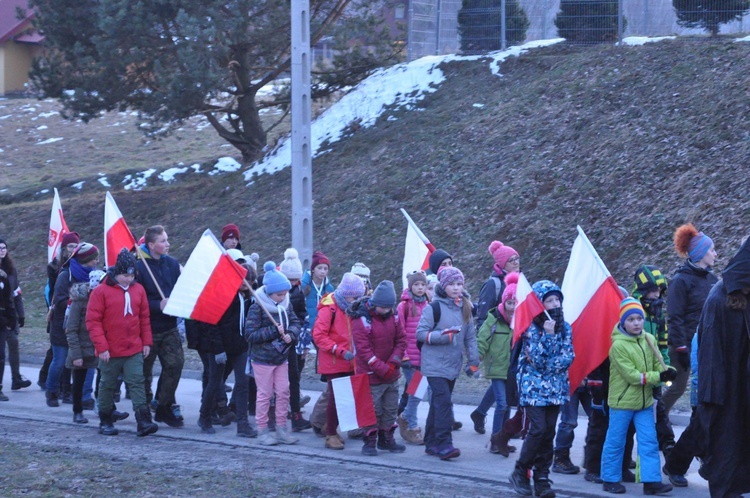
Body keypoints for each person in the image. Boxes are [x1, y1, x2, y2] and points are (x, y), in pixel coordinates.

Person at [693, 237, 750, 498]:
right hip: (726, 398)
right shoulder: (720, 298)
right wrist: (711, 404)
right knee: (726, 453)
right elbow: (711, 359)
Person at [600, 298, 675, 495]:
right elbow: (632, 376)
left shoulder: (649, 338)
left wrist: (669, 371)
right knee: (616, 441)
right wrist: (658, 377)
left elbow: (659, 365)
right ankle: (610, 478)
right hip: (622, 402)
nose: (636, 323)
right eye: (631, 319)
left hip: (644, 403)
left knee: (649, 441)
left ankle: (651, 481)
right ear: (623, 322)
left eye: (639, 319)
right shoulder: (617, 346)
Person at [509, 280, 574, 498]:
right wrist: (548, 336)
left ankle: (542, 478)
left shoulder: (565, 327)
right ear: (539, 304)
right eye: (549, 300)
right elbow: (537, 359)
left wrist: (552, 361)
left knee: (548, 432)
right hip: (533, 387)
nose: (555, 304)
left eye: (558, 299)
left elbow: (567, 357)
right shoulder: (530, 327)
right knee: (537, 429)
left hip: (556, 388)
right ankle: (520, 471)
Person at [87, 249, 158, 437]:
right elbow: (93, 322)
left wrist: (146, 342)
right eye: (125, 275)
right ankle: (105, 420)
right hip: (110, 350)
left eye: (132, 275)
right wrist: (101, 347)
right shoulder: (101, 292)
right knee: (107, 385)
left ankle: (143, 421)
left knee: (137, 382)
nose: (129, 279)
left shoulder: (138, 290)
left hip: (133, 347)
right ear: (116, 273)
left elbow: (144, 318)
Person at [415, 266, 479, 461]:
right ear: (444, 286)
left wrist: (474, 360)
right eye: (452, 284)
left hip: (453, 365)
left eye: (459, 284)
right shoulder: (433, 307)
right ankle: (444, 444)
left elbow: (470, 338)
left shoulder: (466, 306)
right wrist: (442, 337)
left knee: (438, 403)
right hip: (434, 365)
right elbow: (420, 334)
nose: (456, 288)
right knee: (443, 402)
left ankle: (431, 442)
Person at [662, 223, 717, 416]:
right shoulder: (680, 281)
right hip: (684, 345)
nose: (715, 254)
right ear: (701, 253)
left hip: (706, 343)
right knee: (677, 388)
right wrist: (681, 347)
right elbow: (675, 317)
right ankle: (656, 419)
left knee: (704, 386)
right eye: (711, 250)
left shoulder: (712, 280)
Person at [197, 257, 254, 438]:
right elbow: (211, 325)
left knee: (243, 383)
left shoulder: (250, 298)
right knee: (215, 382)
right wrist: (218, 349)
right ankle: (204, 416)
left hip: (241, 347)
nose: (246, 285)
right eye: (244, 281)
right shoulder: (223, 297)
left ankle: (242, 424)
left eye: (250, 282)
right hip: (221, 348)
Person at [246, 261, 301, 445]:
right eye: (279, 294)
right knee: (265, 394)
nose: (283, 297)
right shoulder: (257, 307)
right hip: (262, 359)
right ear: (269, 293)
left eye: (285, 293)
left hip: (281, 357)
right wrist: (273, 331)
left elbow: (295, 322)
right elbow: (250, 334)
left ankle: (282, 428)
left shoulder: (286, 304)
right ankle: (262, 430)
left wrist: (291, 334)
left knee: (284, 392)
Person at [350, 280, 407, 456]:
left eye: (388, 308)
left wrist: (393, 362)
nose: (386, 311)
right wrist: (382, 368)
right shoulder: (361, 319)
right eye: (383, 307)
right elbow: (364, 350)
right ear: (375, 304)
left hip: (391, 372)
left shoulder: (395, 316)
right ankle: (369, 441)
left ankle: (386, 438)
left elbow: (401, 340)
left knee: (390, 408)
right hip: (371, 374)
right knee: (372, 409)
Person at [135, 225, 185, 428]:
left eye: (167, 239)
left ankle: (163, 406)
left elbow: (181, 289)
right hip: (147, 328)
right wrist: (157, 305)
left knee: (175, 364)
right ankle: (143, 412)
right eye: (163, 241)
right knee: (144, 373)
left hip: (169, 327)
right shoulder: (139, 267)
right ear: (151, 245)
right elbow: (135, 300)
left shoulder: (172, 264)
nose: (167, 244)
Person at [312, 272, 366, 450]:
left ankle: (331, 427)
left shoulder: (352, 308)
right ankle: (330, 435)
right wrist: (339, 350)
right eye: (354, 296)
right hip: (334, 362)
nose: (356, 299)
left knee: (345, 398)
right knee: (335, 399)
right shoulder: (330, 308)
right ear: (345, 293)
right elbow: (319, 336)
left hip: (350, 361)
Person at [472, 240, 521, 435]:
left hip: (514, 339)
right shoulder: (493, 284)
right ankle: (499, 433)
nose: (516, 262)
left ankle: (482, 414)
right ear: (502, 263)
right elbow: (483, 316)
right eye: (511, 260)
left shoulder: (520, 281)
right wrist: (482, 346)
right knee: (501, 382)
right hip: (497, 341)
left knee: (504, 381)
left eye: (517, 258)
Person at [628, 265, 676, 459]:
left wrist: (666, 368)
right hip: (635, 378)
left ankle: (671, 454)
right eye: (652, 291)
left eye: (659, 291)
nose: (657, 295)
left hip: (654, 376)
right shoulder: (632, 313)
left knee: (661, 416)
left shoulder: (658, 315)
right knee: (629, 424)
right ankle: (623, 462)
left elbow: (663, 345)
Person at [64, 243, 104, 424]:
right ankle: (77, 411)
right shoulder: (79, 301)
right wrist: (76, 354)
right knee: (78, 381)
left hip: (98, 346)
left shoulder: (102, 300)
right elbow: (71, 328)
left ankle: (104, 408)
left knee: (104, 380)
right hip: (81, 347)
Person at [478, 272, 516, 453]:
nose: (512, 307)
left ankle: (503, 439)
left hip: (512, 369)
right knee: (501, 404)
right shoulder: (493, 319)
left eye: (516, 303)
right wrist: (475, 358)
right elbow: (482, 339)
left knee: (507, 405)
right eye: (509, 303)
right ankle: (495, 440)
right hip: (496, 367)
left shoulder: (521, 322)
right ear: (503, 302)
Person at [39, 232, 79, 390]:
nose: (74, 249)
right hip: (57, 309)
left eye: (76, 246)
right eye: (71, 246)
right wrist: (52, 308)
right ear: (64, 248)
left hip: (72, 311)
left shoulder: (78, 264)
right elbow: (53, 291)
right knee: (57, 352)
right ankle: (47, 381)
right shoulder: (55, 267)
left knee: (62, 351)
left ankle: (62, 385)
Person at [278, 248, 311, 432]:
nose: (292, 284)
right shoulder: (274, 292)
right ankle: (275, 415)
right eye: (289, 280)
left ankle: (296, 415)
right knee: (278, 383)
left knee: (294, 377)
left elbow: (302, 317)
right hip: (276, 343)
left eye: (295, 280)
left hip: (292, 340)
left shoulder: (297, 292)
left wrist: (302, 340)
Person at [396, 270, 429, 445]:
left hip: (425, 358)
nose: (420, 287)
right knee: (416, 391)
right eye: (416, 284)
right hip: (409, 359)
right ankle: (412, 426)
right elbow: (399, 332)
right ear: (411, 286)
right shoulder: (404, 306)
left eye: (422, 284)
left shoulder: (429, 305)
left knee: (417, 391)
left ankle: (406, 417)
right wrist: (404, 356)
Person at [0, 239, 31, 392]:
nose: (2, 250)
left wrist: (21, 314)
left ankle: (16, 378)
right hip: (1, 316)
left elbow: (16, 293)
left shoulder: (11, 269)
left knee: (14, 345)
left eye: (4, 248)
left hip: (11, 315)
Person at [0, 264, 18, 401]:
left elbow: (8, 299)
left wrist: (12, 320)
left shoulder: (3, 277)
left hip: (2, 322)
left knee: (0, 355)